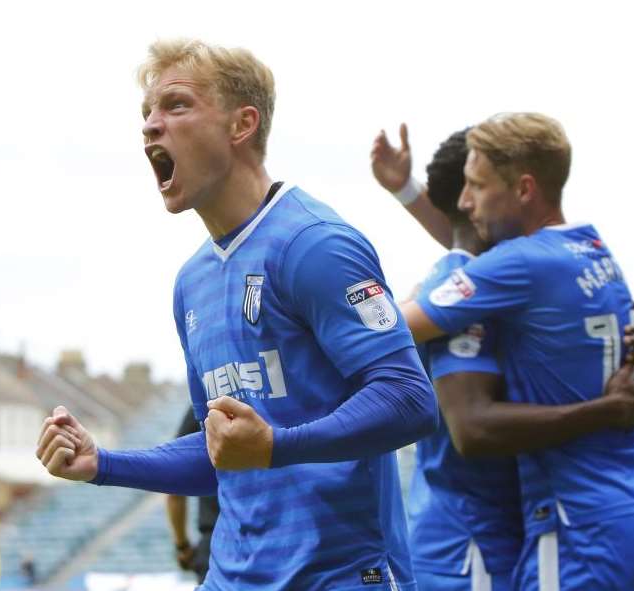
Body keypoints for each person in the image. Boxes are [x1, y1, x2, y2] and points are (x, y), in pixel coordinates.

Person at [36, 38, 437, 591]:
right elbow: (218, 449)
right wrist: (103, 463)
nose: (151, 125)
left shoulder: (314, 244)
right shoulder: (191, 281)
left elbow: (410, 400)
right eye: (146, 113)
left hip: (340, 575)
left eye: (176, 105)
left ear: (242, 124)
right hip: (231, 578)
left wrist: (277, 446)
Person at [397, 112, 634, 590]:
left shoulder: (513, 266)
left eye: (478, 186)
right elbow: (631, 383)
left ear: (525, 189)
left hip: (581, 526)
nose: (467, 202)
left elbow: (393, 328)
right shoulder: (595, 250)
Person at [166, 406, 219, 584]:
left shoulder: (206, 401)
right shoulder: (280, 398)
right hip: (278, 541)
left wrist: (182, 546)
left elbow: (173, 488)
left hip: (215, 545)